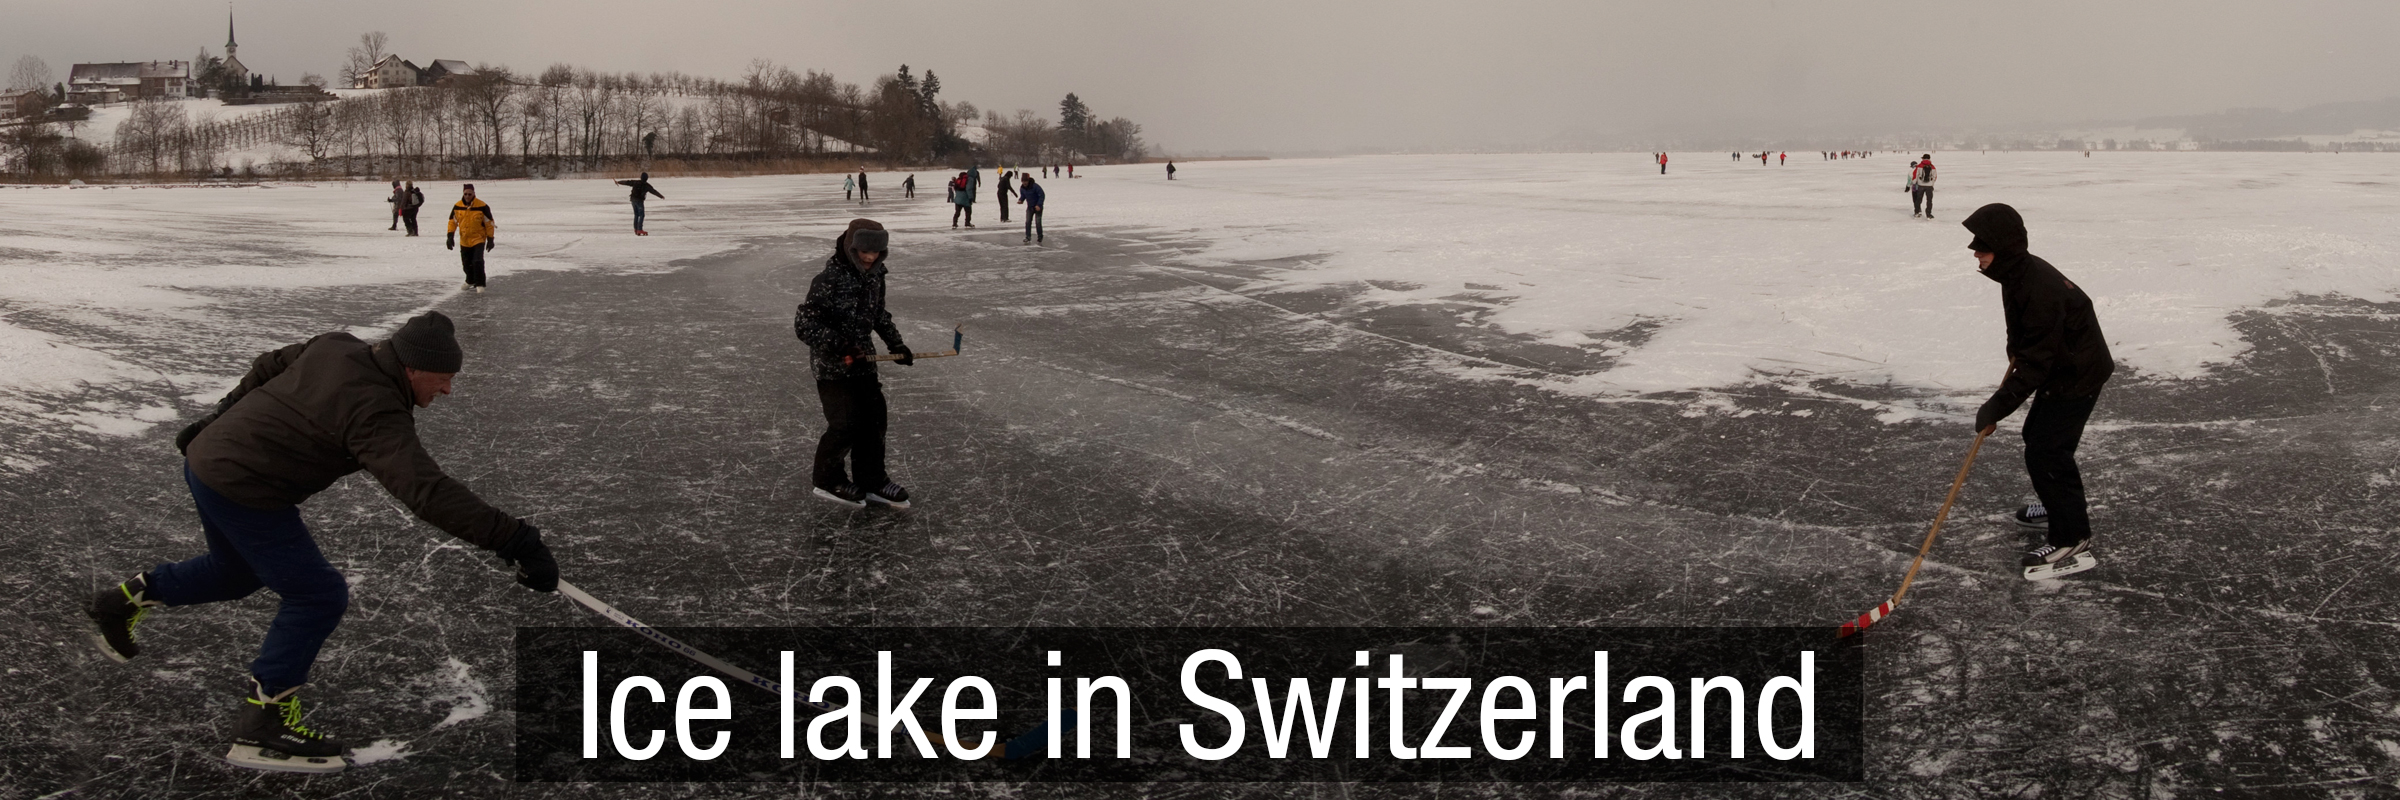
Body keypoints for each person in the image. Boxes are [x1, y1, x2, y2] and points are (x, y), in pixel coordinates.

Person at [86, 311, 558, 774]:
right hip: (246, 487)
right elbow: (425, 490)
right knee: (317, 594)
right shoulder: (375, 410)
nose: (448, 390)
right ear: (412, 368)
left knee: (235, 571)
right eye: (442, 378)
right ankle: (263, 722)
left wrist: (217, 418)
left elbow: (270, 363)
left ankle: (122, 601)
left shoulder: (336, 344)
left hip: (208, 462)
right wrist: (516, 539)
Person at [1962, 203, 2114, 579]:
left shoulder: (2037, 286)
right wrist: (2016, 348)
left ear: (2003, 247)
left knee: (2048, 450)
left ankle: (2071, 535)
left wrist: (1997, 406)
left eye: (1982, 246)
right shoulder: (2016, 274)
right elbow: (2025, 336)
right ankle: (2055, 503)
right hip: (2066, 363)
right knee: (2039, 439)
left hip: (2077, 372)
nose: (1975, 252)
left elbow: (2037, 362)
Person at [793, 219, 914, 509]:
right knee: (845, 425)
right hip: (833, 367)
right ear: (851, 247)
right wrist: (840, 345)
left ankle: (871, 480)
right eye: (864, 252)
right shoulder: (829, 279)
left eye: (876, 253)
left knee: (874, 421)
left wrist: (895, 344)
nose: (870, 258)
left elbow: (878, 314)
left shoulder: (875, 276)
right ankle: (827, 480)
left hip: (864, 362)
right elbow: (804, 324)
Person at [445, 185, 496, 293]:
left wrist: (490, 239)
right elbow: (452, 222)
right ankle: (470, 280)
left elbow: (489, 223)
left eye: (470, 194)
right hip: (464, 239)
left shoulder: (482, 206)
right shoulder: (457, 206)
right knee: (466, 263)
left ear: (474, 194)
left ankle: (480, 283)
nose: (467, 196)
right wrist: (450, 236)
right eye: (465, 194)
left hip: (478, 238)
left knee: (477, 261)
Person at [1019, 173, 1045, 244]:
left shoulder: (1035, 186)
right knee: (1028, 222)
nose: (1024, 183)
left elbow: (1041, 195)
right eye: (1023, 181)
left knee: (1038, 222)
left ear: (1028, 180)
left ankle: (1040, 237)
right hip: (1030, 207)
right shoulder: (1022, 188)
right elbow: (1023, 196)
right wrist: (1021, 200)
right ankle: (1028, 237)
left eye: (1025, 181)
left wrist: (1039, 205)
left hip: (1038, 207)